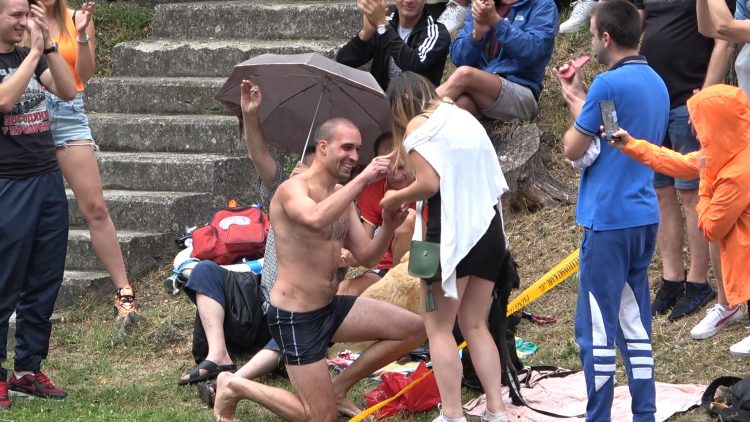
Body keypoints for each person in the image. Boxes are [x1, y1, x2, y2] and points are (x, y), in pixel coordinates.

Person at [212, 117, 425, 421]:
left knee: (415, 328)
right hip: (295, 317)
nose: (354, 156)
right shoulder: (292, 189)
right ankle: (233, 384)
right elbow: (313, 218)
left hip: (329, 307)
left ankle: (339, 388)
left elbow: (366, 256)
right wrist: (364, 179)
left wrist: (388, 226)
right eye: (347, 147)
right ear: (323, 148)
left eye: (358, 150)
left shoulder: (341, 196)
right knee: (320, 418)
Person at [554, 1, 669, 420]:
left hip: (608, 221)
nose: (590, 42)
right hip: (643, 216)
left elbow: (574, 147)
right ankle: (645, 413)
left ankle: (597, 416)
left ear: (605, 37)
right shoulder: (654, 80)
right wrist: (575, 94)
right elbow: (607, 134)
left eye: (591, 35)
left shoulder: (607, 84)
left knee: (596, 329)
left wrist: (582, 94)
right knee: (635, 325)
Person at [381, 71, 510, 422]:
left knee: (438, 329)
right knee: (476, 324)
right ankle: (496, 410)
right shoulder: (464, 119)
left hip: (446, 238)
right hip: (488, 231)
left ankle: (452, 414)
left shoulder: (418, 126)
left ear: (400, 104)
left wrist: (395, 197)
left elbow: (428, 185)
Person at [183, 80, 316, 400]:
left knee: (295, 327)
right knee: (205, 271)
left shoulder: (337, 209)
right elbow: (259, 155)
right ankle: (219, 356)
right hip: (260, 298)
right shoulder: (284, 189)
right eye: (306, 162)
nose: (304, 169)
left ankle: (231, 382)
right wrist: (251, 115)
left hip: (290, 312)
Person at [607, 84, 750, 357]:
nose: (693, 128)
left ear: (717, 125)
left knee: (728, 237)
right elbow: (679, 162)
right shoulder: (728, 150)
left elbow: (710, 226)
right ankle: (729, 307)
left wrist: (706, 187)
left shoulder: (737, 172)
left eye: (698, 121)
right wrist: (631, 145)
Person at [35, 0, 140, 320]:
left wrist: (80, 34)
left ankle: (124, 291)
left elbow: (84, 74)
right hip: (27, 112)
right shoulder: (17, 19)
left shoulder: (75, 18)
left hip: (68, 115)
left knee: (95, 206)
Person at [635, 0, 734, 322]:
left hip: (688, 100)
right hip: (655, 101)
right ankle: (672, 278)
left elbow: (723, 39)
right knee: (661, 191)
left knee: (692, 194)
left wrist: (705, 98)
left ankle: (698, 281)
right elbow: (633, 31)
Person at [0, 0, 78, 408]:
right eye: (15, 15)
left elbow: (67, 89)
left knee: (45, 278)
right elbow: (4, 101)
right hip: (7, 184)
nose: (23, 22)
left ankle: (28, 369)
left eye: (26, 15)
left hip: (46, 177)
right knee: (3, 280)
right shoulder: (13, 59)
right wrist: (31, 54)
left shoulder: (29, 53)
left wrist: (46, 46)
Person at [437, 0, 557, 122]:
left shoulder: (542, 4)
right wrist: (476, 35)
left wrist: (496, 21)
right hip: (481, 91)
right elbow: (458, 58)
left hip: (522, 95)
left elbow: (533, 52)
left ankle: (418, 113)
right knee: (457, 108)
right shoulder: (482, 5)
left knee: (464, 75)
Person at [337, 132, 418, 296]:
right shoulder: (373, 190)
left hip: (425, 265)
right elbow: (364, 247)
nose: (396, 175)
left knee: (408, 219)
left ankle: (399, 291)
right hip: (386, 269)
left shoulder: (428, 184)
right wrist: (348, 256)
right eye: (389, 168)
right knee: (343, 290)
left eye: (401, 167)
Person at [335, 0, 451, 90]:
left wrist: (382, 26)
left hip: (416, 109)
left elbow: (415, 64)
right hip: (381, 105)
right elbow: (343, 60)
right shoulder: (385, 25)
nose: (409, 1)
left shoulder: (436, 33)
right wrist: (366, 33)